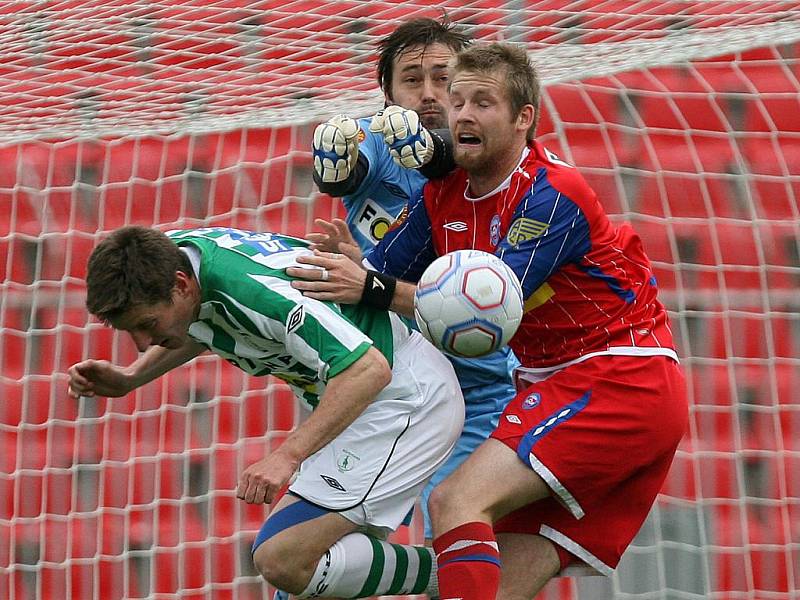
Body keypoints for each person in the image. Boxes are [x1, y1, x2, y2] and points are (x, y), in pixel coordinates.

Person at [288, 42, 689, 599]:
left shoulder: (551, 194)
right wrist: (358, 270)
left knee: (453, 501)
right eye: (457, 103)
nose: (462, 115)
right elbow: (382, 275)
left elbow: (488, 308)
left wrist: (373, 287)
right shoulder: (443, 192)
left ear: (524, 119)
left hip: (617, 376)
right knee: (483, 579)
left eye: (483, 103)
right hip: (557, 380)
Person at [66, 225, 464, 598]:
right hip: (356, 406)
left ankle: (455, 572)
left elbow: (368, 368)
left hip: (402, 401)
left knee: (283, 557)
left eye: (147, 324)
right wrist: (131, 377)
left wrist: (287, 455)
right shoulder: (173, 260)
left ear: (181, 285)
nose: (140, 343)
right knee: (305, 583)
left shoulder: (254, 290)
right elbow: (198, 322)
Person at [311, 15, 520, 545]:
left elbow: (438, 159)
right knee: (324, 542)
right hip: (388, 379)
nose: (428, 94)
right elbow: (346, 171)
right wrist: (337, 170)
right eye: (411, 79)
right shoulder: (370, 139)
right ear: (386, 93)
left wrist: (369, 277)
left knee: (455, 531)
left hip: (479, 379)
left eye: (442, 78)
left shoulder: (490, 153)